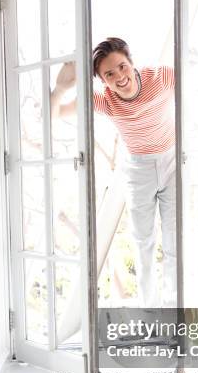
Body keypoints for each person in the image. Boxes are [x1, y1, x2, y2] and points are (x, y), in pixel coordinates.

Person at [51, 37, 176, 307]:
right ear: (102, 80)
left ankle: (175, 312)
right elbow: (55, 113)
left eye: (122, 66)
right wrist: (60, 88)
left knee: (175, 243)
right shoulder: (105, 101)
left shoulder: (161, 78)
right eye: (109, 74)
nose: (120, 76)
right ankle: (151, 314)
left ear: (131, 62)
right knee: (144, 244)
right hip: (139, 170)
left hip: (171, 161)